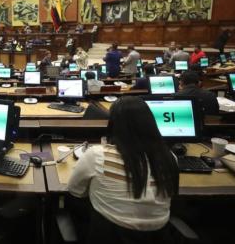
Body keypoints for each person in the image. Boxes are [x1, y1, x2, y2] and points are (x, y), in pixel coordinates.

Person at [68, 96, 179, 243]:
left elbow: (75, 190)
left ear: (113, 124)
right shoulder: (170, 158)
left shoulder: (97, 155)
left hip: (108, 235)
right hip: (158, 236)